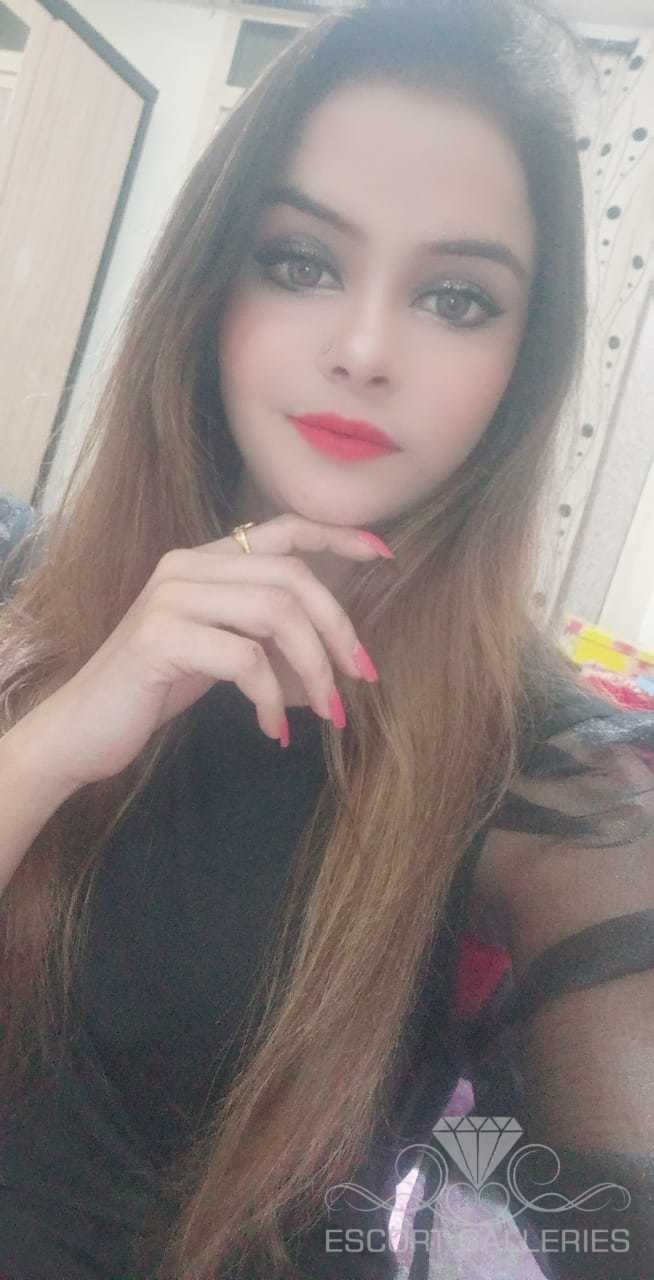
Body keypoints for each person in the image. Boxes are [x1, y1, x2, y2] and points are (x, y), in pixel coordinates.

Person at [0, 0, 652, 1276]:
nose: (363, 350)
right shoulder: (35, 581)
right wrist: (48, 748)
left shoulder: (552, 784)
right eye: (302, 261)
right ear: (211, 285)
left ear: (524, 362)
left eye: (457, 296)